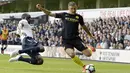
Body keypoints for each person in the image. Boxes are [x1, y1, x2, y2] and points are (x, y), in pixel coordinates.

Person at [36, 1, 96, 72]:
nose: (73, 10)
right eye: (72, 9)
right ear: (68, 8)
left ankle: (89, 48)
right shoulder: (64, 15)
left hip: (76, 39)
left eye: (75, 8)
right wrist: (42, 9)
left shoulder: (79, 17)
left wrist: (90, 35)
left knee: (88, 54)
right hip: (66, 40)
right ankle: (84, 66)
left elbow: (84, 26)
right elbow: (50, 13)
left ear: (76, 8)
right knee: (71, 54)